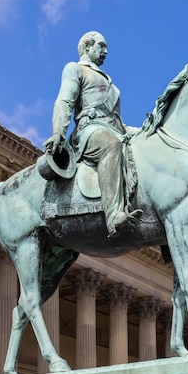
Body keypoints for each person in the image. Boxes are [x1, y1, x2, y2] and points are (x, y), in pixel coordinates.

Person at [43, 31, 142, 238]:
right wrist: (58, 133)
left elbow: (118, 122)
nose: (105, 51)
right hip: (88, 133)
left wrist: (145, 131)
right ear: (87, 46)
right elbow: (65, 101)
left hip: (113, 130)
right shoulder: (75, 69)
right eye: (101, 45)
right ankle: (114, 215)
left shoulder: (111, 85)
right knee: (111, 144)